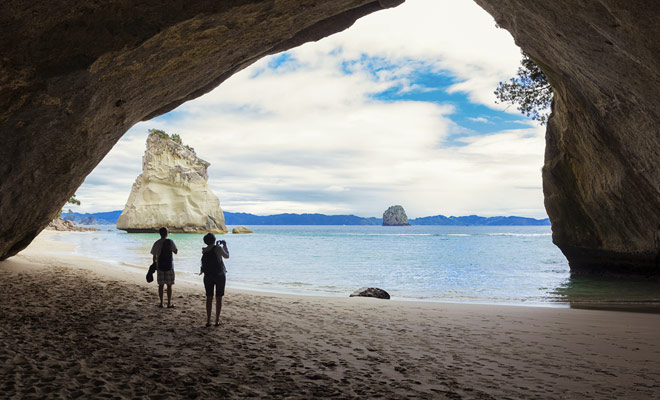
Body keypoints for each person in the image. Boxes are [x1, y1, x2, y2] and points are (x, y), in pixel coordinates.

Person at [200, 233, 229, 327]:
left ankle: (208, 320)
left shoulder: (204, 250)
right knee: (218, 298)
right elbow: (226, 256)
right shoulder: (218, 248)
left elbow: (211, 251)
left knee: (209, 298)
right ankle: (216, 320)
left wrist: (216, 246)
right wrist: (225, 246)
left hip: (208, 275)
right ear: (214, 239)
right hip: (219, 275)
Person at [151, 227, 178, 308]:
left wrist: (154, 264)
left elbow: (154, 256)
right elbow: (176, 251)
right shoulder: (170, 241)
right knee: (169, 286)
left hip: (160, 266)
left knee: (161, 285)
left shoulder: (157, 243)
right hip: (169, 266)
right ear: (167, 233)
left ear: (160, 233)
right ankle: (169, 303)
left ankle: (161, 303)